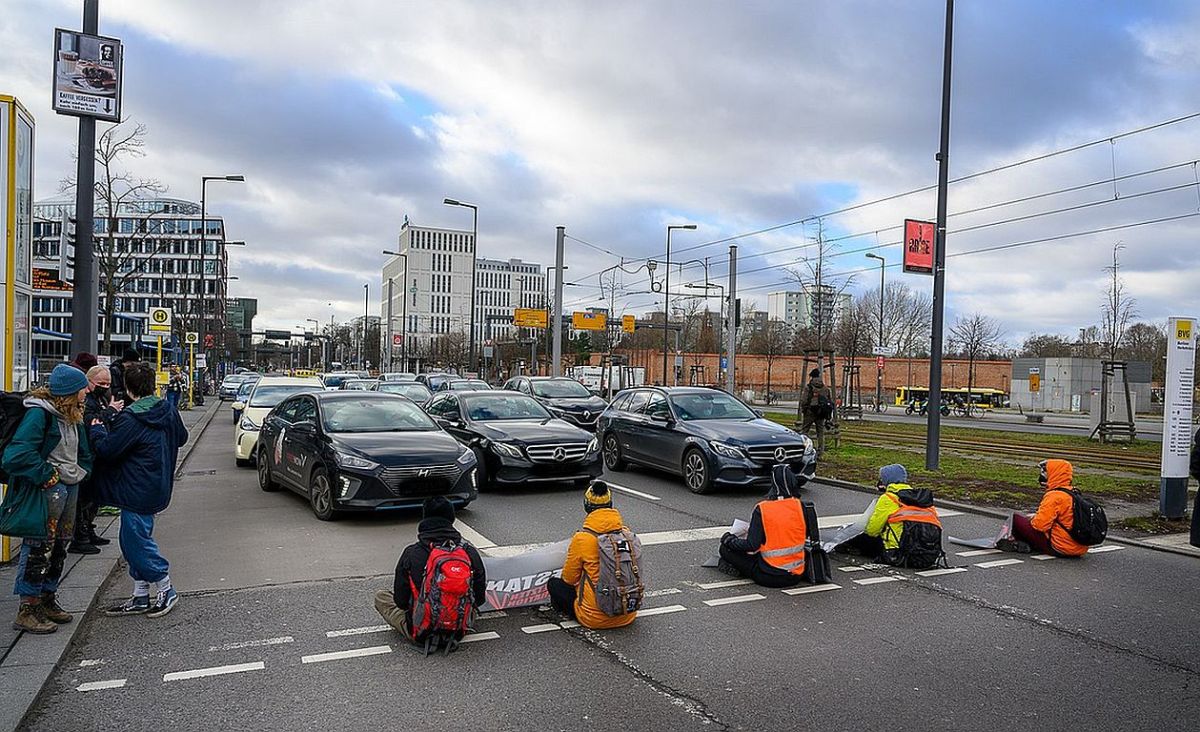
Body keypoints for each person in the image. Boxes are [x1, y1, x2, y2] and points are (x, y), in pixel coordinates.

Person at [90, 361, 189, 618]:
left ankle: (165, 586)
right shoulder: (166, 409)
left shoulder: (132, 418)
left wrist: (98, 430)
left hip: (135, 487)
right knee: (131, 539)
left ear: (127, 387)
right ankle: (140, 594)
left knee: (135, 541)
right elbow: (182, 437)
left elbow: (108, 450)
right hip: (158, 483)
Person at [4, 364, 94, 634]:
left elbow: (81, 450)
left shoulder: (71, 413)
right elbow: (16, 455)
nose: (87, 392)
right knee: (38, 546)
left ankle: (47, 597)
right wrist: (48, 476)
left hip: (68, 485)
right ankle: (28, 607)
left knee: (60, 545)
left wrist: (82, 470)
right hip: (48, 489)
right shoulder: (39, 414)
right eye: (83, 388)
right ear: (70, 391)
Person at [374, 496, 487, 642]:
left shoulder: (411, 553)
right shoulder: (468, 552)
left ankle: (419, 628)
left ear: (424, 518)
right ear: (451, 519)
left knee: (381, 596)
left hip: (421, 632)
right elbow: (479, 599)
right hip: (459, 629)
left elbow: (401, 602)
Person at [548, 482, 640, 629]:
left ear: (587, 506)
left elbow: (569, 579)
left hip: (593, 618)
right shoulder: (626, 535)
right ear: (610, 504)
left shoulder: (583, 539)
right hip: (627, 612)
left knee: (554, 584)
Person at [717, 467, 808, 589]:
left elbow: (752, 545)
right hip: (796, 575)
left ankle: (735, 566)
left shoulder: (763, 508)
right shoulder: (801, 506)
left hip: (769, 576)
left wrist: (729, 540)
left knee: (725, 549)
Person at [838, 464, 943, 567]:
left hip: (898, 554)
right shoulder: (921, 499)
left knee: (861, 537)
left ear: (886, 480)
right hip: (928, 556)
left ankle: (842, 547)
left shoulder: (889, 498)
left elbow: (872, 530)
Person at [998, 459, 1088, 557]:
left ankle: (1017, 543)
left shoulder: (1054, 496)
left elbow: (1040, 526)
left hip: (1061, 547)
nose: (1042, 475)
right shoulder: (1074, 493)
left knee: (1016, 519)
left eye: (1045, 472)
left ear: (1054, 474)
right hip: (1079, 548)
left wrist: (1034, 518)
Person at [798, 369, 832, 455]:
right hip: (821, 413)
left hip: (810, 412)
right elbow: (829, 401)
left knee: (805, 431)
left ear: (812, 377)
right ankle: (821, 450)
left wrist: (804, 409)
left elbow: (804, 400)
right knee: (820, 432)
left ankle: (803, 449)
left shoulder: (809, 387)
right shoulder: (825, 388)